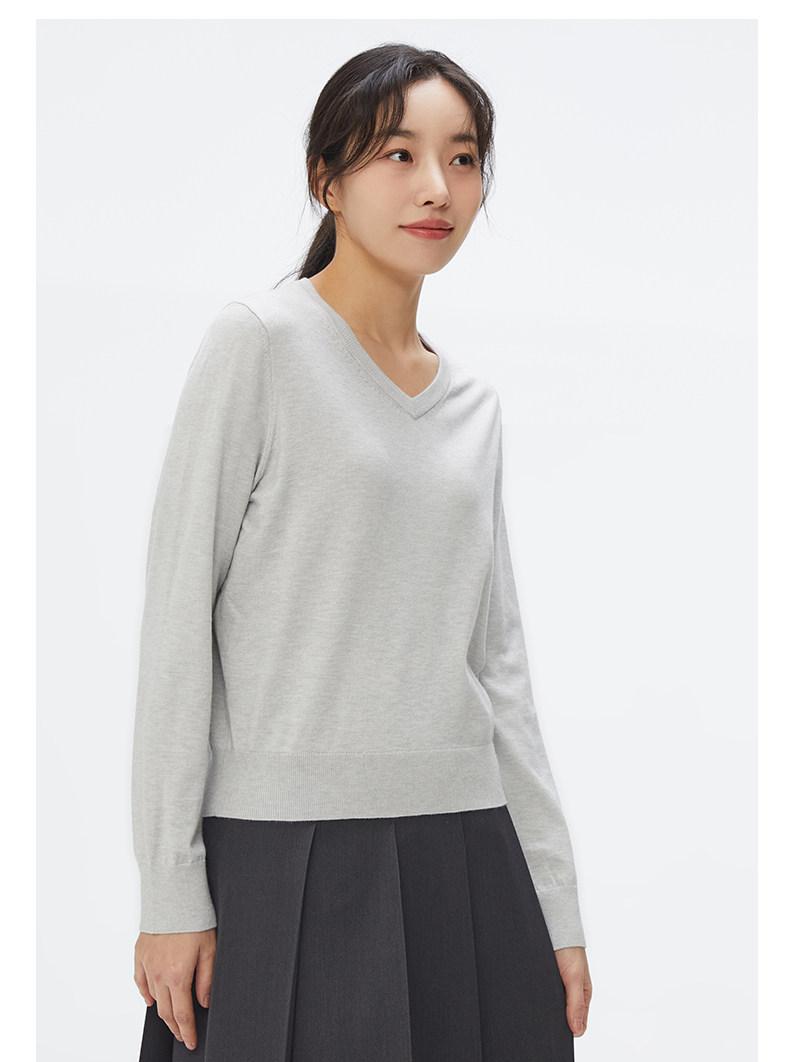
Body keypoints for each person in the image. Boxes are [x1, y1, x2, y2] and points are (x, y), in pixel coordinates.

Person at [132, 41, 593, 1062]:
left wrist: (555, 906)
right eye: (398, 154)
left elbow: (499, 666)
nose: (437, 187)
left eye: (462, 158)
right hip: (280, 856)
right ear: (325, 180)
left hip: (471, 852)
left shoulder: (474, 406)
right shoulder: (258, 345)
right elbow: (176, 627)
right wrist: (170, 888)